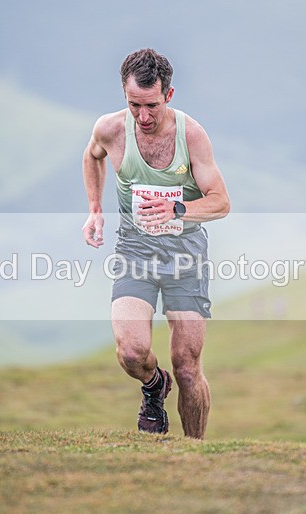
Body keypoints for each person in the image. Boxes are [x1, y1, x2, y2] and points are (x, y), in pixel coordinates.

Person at [81, 48, 230, 439]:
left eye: (151, 105)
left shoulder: (191, 135)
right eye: (134, 105)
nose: (143, 117)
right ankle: (153, 386)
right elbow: (91, 155)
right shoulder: (111, 129)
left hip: (185, 257)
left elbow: (221, 202)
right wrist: (95, 208)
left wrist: (175, 209)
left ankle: (194, 455)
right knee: (131, 352)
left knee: (187, 366)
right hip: (135, 252)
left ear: (169, 95)